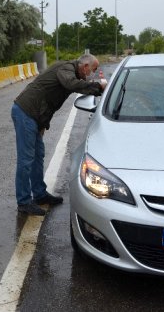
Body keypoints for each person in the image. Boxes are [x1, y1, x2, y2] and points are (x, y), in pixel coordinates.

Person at [12, 54, 106, 215]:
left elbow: (49, 101)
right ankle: (24, 202)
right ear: (84, 66)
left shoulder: (71, 70)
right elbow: (71, 84)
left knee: (38, 156)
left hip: (35, 117)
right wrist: (98, 87)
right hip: (26, 112)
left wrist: (42, 124)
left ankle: (40, 194)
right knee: (26, 159)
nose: (92, 73)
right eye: (93, 69)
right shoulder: (66, 68)